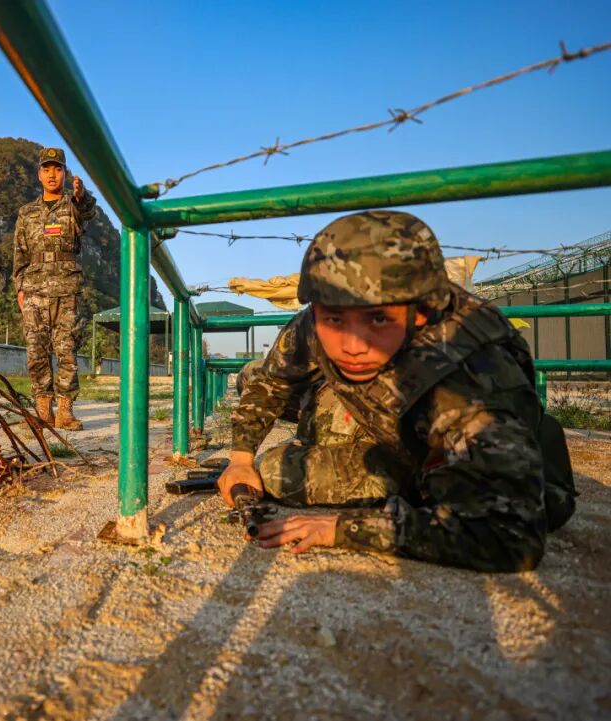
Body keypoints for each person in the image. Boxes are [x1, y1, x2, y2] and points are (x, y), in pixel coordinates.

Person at [217, 210, 575, 572]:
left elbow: (511, 537)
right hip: (389, 429)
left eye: (378, 319)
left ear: (420, 312)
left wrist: (348, 529)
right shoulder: (325, 315)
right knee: (266, 438)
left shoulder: (470, 377)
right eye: (334, 319)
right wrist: (240, 460)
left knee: (281, 472)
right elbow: (272, 381)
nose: (352, 345)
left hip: (453, 456)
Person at [12, 147, 96, 429]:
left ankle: (65, 412)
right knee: (36, 351)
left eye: (57, 169)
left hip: (66, 290)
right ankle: (43, 410)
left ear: (65, 173)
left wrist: (82, 195)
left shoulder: (73, 205)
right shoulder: (26, 213)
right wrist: (19, 288)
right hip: (34, 291)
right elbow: (19, 253)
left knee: (66, 350)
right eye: (47, 169)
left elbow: (88, 210)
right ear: (39, 174)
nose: (52, 174)